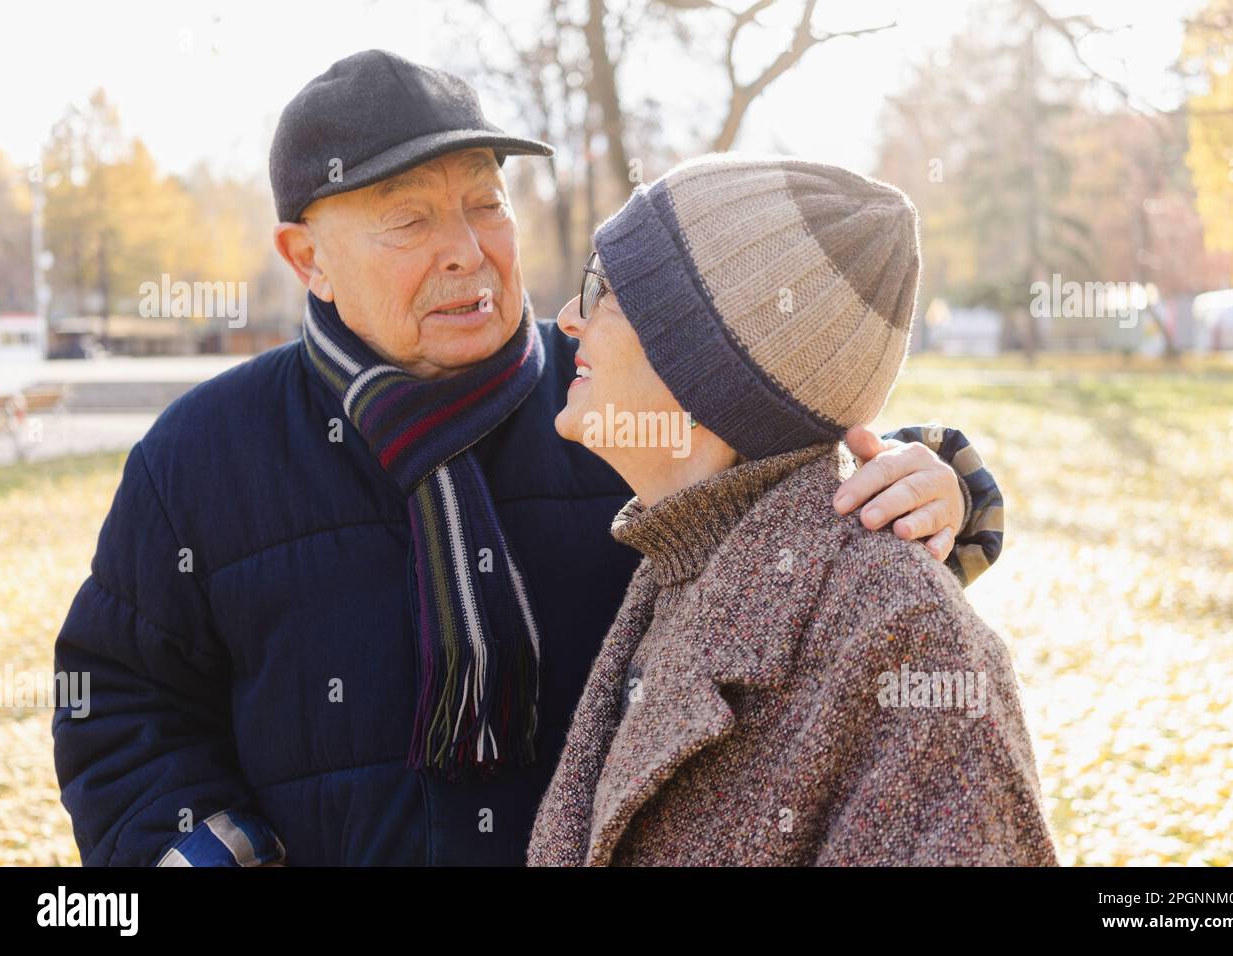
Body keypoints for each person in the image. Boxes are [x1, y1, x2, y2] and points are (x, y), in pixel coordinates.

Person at [52, 50, 1005, 866]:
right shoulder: (205, 455)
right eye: (409, 219)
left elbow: (776, 460)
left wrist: (941, 483)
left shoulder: (609, 406)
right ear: (308, 260)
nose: (468, 251)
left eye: (486, 203)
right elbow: (118, 699)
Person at [528, 154, 1056, 866]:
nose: (565, 319)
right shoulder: (676, 565)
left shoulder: (909, 640)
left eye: (603, 287)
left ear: (702, 360)